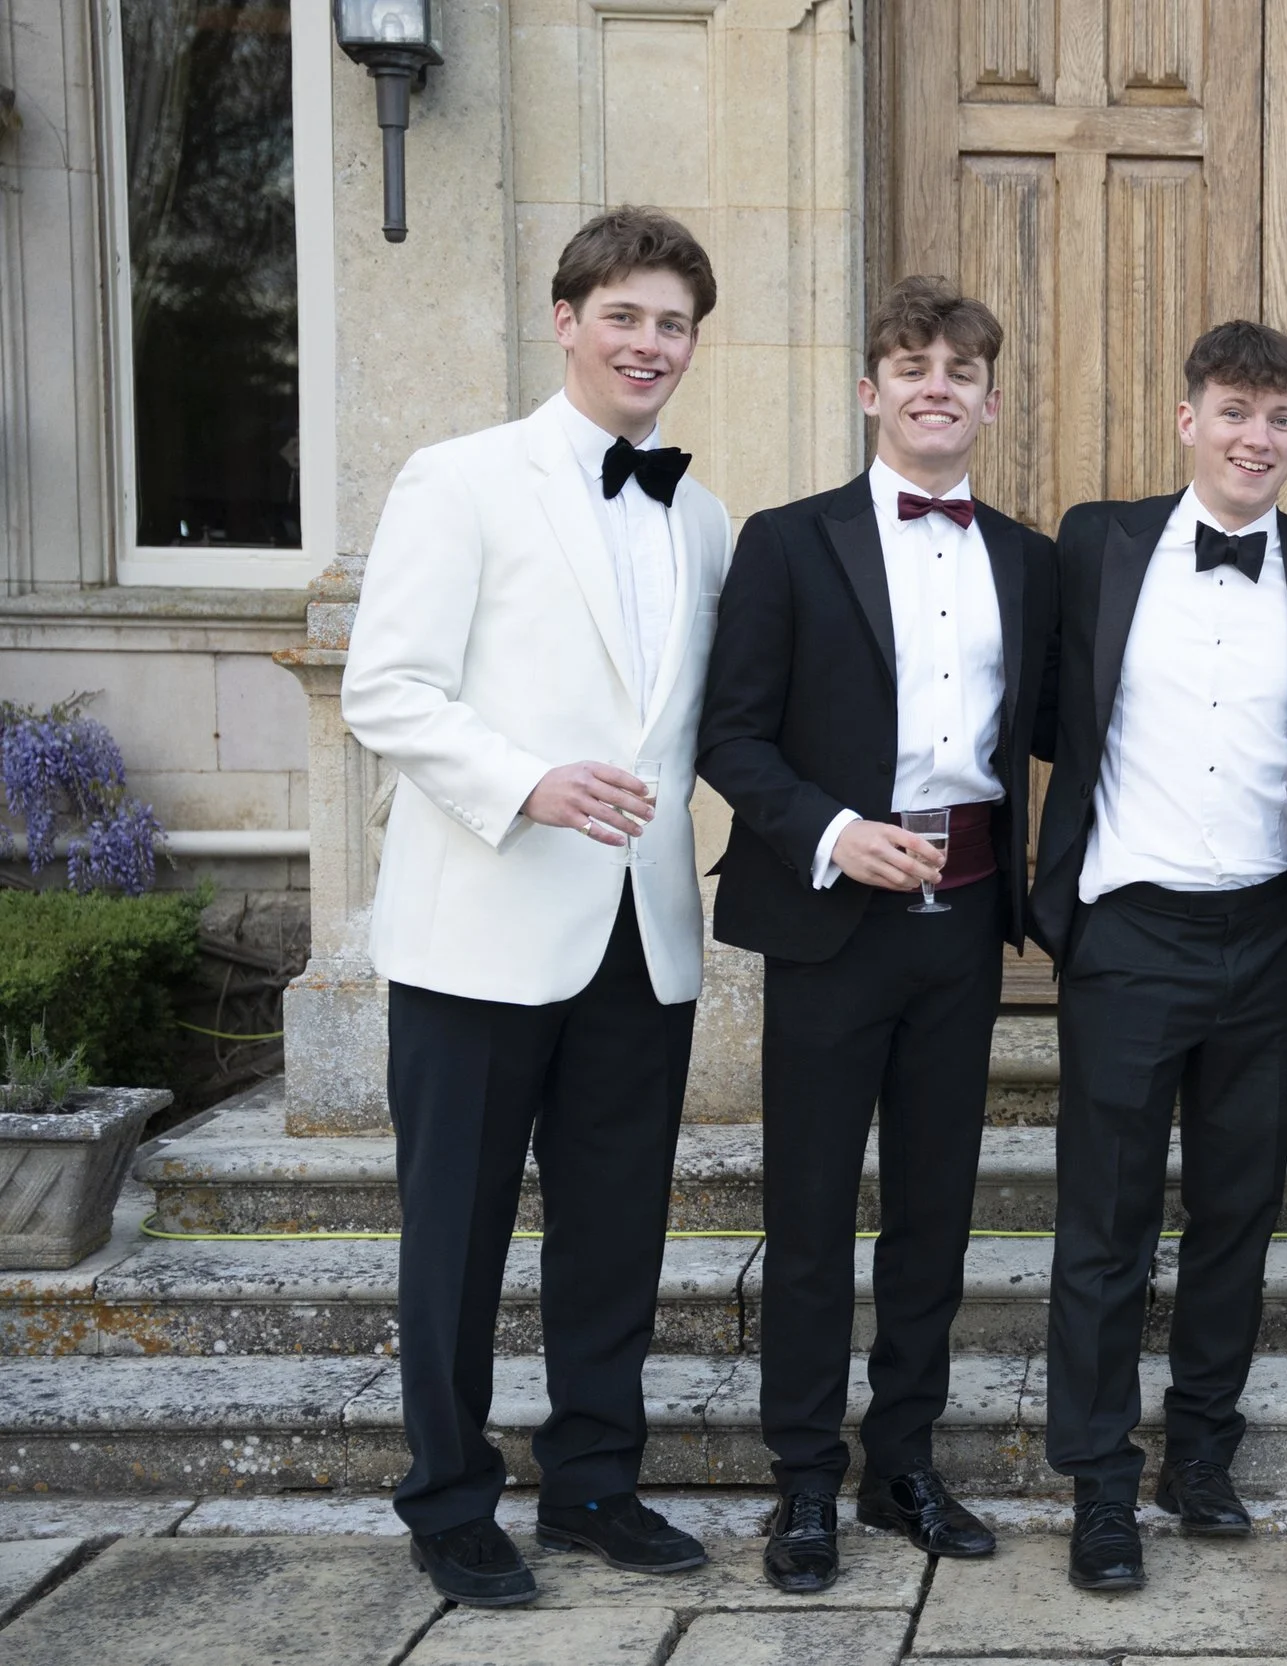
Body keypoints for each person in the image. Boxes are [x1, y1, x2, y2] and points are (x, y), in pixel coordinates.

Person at [342, 207, 730, 1606]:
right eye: (623, 314)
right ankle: (449, 1499)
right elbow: (385, 689)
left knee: (616, 1227)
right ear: (565, 319)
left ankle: (594, 1483)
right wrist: (527, 784)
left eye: (672, 322)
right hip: (482, 924)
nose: (647, 343)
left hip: (643, 930)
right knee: (454, 1234)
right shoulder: (460, 480)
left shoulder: (705, 515)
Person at [696, 277, 1058, 1592]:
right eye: (911, 365)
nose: (935, 386)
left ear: (990, 400)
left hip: (962, 929)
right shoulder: (789, 542)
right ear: (871, 390)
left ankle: (904, 1459)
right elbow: (728, 734)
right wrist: (834, 830)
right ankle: (804, 1478)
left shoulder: (1030, 557)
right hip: (830, 920)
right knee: (807, 1214)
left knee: (933, 1215)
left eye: (961, 370)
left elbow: (1074, 718)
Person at [1033, 321, 1287, 1593]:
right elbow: (1039, 703)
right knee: (1103, 1225)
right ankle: (1102, 1485)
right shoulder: (1094, 545)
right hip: (1130, 932)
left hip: (1272, 932)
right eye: (1234, 410)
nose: (1255, 438)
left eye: (1281, 419)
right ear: (1187, 419)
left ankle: (1202, 1452)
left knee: (1237, 1211)